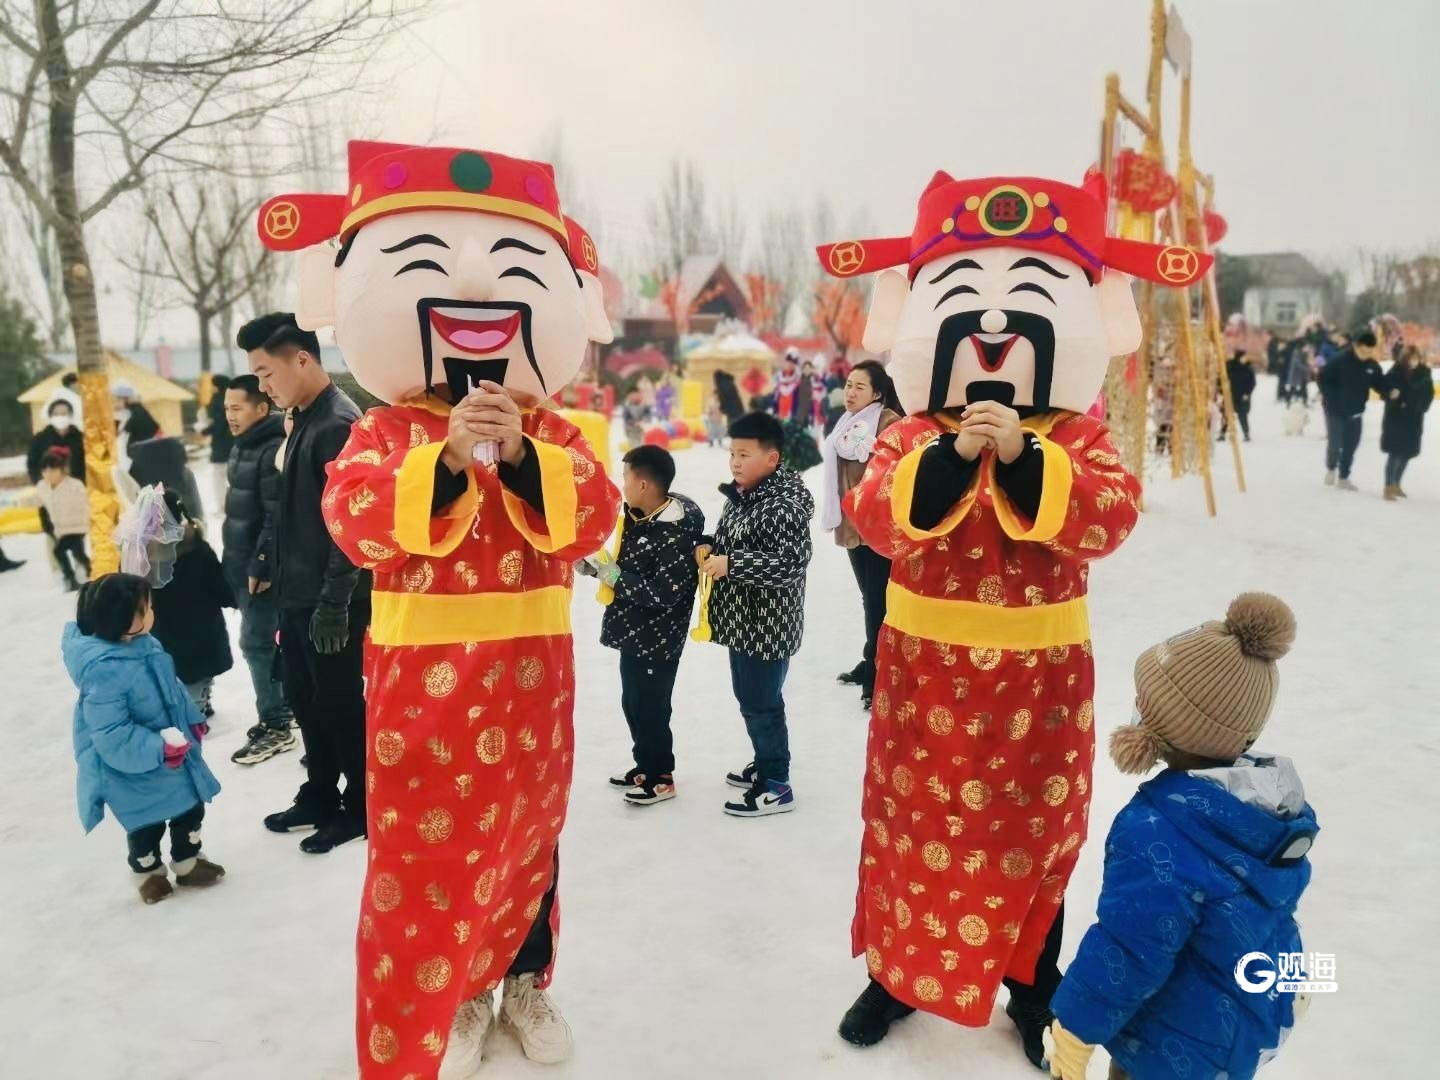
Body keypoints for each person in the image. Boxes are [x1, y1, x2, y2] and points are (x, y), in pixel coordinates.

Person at [254, 141, 621, 1075]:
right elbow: (359, 523)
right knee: (429, 861)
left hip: (536, 693)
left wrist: (524, 454)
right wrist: (450, 459)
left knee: (531, 844)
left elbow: (595, 518)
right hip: (425, 697)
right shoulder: (380, 428)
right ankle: (456, 994)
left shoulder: (558, 431)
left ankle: (525, 982)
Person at [815, 169, 1188, 1065]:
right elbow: (874, 517)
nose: (989, 327)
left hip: (1040, 692)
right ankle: (894, 975)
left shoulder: (1078, 437)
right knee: (913, 834)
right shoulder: (909, 431)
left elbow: (1111, 519)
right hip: (923, 683)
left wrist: (1024, 456)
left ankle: (1030, 985)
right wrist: (952, 457)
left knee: (1033, 838)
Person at [1049, 593, 1315, 1080]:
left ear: (1173, 725)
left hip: (1171, 1045)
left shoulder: (1160, 831)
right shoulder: (1263, 811)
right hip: (1241, 1029)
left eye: (1145, 701)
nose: (1135, 708)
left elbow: (1130, 948)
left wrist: (1075, 1026)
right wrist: (1292, 982)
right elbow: (1271, 914)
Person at [240, 312, 371, 856]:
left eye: (267, 373)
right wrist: (268, 559)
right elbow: (295, 508)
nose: (263, 387)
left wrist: (334, 603)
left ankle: (360, 807)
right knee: (305, 699)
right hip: (297, 595)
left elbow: (353, 525)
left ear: (302, 359)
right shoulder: (302, 418)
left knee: (340, 703)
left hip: (330, 600)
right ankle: (319, 792)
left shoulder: (338, 424)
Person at [62, 573, 225, 904]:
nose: (153, 610)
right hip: (134, 769)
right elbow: (110, 732)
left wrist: (191, 720)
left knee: (190, 812)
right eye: (145, 607)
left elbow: (173, 690)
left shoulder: (144, 644)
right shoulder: (103, 671)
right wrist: (158, 749)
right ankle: (148, 873)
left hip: (175, 758)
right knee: (145, 827)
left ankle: (188, 861)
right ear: (122, 619)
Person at [695, 410, 814, 818]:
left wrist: (733, 565)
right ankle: (765, 762)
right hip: (745, 620)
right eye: (732, 453)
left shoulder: (782, 505)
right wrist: (712, 545)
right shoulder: (747, 494)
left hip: (766, 625)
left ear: (772, 459)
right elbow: (737, 539)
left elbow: (790, 565)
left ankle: (776, 782)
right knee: (753, 697)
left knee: (761, 702)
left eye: (745, 454)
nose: (735, 462)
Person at [583, 444, 704, 807]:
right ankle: (644, 764)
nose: (622, 485)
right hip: (634, 630)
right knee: (633, 702)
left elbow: (662, 593)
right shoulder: (642, 514)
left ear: (645, 485)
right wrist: (597, 567)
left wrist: (609, 572)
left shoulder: (674, 533)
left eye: (626, 477)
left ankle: (660, 775)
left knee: (651, 706)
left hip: (658, 636)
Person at [219, 375, 296, 763]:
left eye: (237, 408)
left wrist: (262, 563)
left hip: (261, 570)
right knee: (268, 641)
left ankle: (276, 723)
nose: (229, 416)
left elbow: (275, 513)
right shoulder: (243, 446)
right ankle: (286, 707)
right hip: (242, 562)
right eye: (226, 408)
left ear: (261, 408)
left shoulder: (270, 449)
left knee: (256, 643)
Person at [822, 360, 902, 709]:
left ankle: (876, 677)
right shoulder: (846, 423)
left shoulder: (888, 423)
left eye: (859, 387)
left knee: (878, 603)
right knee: (870, 599)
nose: (850, 392)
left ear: (877, 393)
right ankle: (872, 658)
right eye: (849, 385)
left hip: (878, 528)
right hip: (853, 526)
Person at [148, 490, 235, 718]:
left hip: (166, 633)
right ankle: (197, 712)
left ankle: (199, 705)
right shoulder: (197, 547)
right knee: (201, 676)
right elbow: (219, 584)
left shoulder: (144, 556)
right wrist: (232, 598)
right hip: (203, 629)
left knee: (186, 678)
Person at [1318, 329, 1384, 490]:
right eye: (1363, 351)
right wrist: (1332, 397)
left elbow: (1380, 383)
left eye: (1369, 352)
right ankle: (1331, 468)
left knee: (1350, 446)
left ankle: (1343, 477)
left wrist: (1389, 392)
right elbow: (1323, 379)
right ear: (1356, 346)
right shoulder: (1339, 360)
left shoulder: (1371, 365)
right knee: (1335, 444)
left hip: (1356, 411)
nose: (1365, 355)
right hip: (1335, 409)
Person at [1380, 344, 1434, 500]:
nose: (1414, 361)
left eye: (1416, 358)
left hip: (1414, 419)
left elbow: (1429, 394)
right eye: (1411, 358)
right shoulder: (1395, 371)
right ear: (1405, 358)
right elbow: (1385, 388)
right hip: (1396, 418)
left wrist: (1422, 407)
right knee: (1395, 453)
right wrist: (1392, 394)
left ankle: (1396, 483)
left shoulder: (1424, 373)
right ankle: (1388, 486)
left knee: (1406, 453)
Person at [34, 448, 91, 590]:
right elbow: (40, 505)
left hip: (77, 526)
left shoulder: (74, 485)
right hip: (60, 528)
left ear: (62, 469)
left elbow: (86, 504)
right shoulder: (42, 487)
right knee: (78, 552)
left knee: (59, 551)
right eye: (45, 470)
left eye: (53, 469)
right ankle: (89, 569)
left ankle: (70, 577)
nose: (49, 473)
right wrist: (46, 526)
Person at [27, 397, 85, 483]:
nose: (60, 417)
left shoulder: (81, 439)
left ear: (71, 415)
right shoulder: (40, 439)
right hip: (49, 488)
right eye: (56, 414)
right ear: (50, 416)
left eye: (64, 414)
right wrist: (39, 482)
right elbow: (32, 464)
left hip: (77, 488)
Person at [206, 373, 235, 509]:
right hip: (235, 441)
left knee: (218, 476)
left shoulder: (217, 400)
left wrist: (205, 431)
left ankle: (222, 506)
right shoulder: (233, 398)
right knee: (235, 475)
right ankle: (234, 503)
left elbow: (218, 423)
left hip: (220, 443)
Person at [1221, 349, 1255, 441]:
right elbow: (1222, 378)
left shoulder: (1247, 367)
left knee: (1242, 416)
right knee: (1227, 414)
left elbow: (1252, 382)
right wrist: (1222, 391)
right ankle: (1222, 433)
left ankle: (1246, 434)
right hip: (1231, 394)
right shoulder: (1230, 365)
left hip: (1241, 395)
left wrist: (1247, 393)